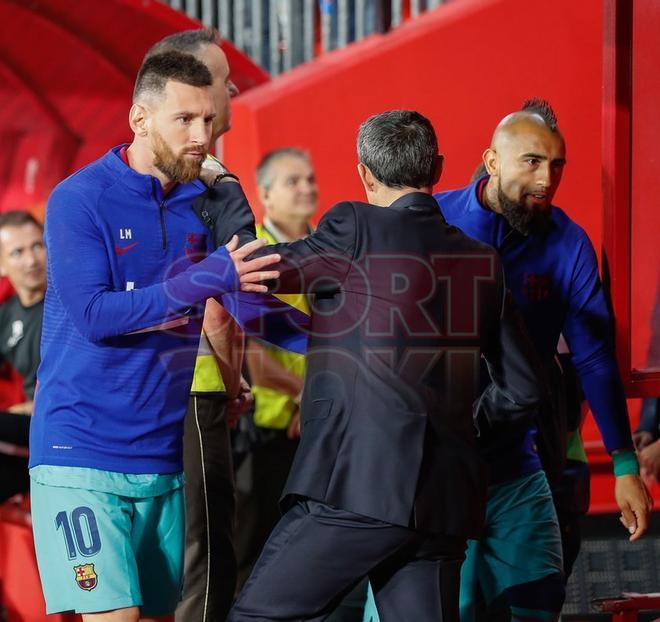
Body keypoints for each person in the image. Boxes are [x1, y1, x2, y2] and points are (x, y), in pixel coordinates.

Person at [228, 109, 546, 622]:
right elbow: (526, 388)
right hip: (444, 501)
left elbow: (256, 271)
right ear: (438, 167)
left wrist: (222, 192)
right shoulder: (483, 261)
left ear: (364, 174)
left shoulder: (353, 225)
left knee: (256, 616)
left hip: (356, 489)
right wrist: (459, 432)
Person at [28, 50, 280, 622]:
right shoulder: (78, 198)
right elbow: (95, 315)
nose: (202, 136)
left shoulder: (206, 202)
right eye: (185, 121)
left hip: (164, 452)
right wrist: (206, 277)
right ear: (140, 119)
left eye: (209, 120)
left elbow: (240, 304)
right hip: (79, 451)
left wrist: (230, 372)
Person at [432, 99, 652, 621]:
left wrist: (623, 463)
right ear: (492, 162)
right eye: (531, 161)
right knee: (446, 608)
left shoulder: (568, 242)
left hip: (525, 456)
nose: (547, 178)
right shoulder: (433, 221)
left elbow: (595, 355)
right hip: (436, 460)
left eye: (557, 164)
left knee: (535, 602)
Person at [143, 28, 253, 622]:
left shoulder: (188, 175)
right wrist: (231, 375)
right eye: (218, 78)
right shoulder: (200, 180)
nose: (230, 89)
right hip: (193, 384)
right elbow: (220, 293)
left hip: (179, 384)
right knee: (206, 549)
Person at [236, 147, 318, 589]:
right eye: (293, 181)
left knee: (306, 563)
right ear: (265, 194)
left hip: (317, 431)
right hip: (264, 435)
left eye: (310, 179)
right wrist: (306, 392)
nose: (307, 188)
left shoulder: (327, 246)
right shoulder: (255, 255)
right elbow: (250, 354)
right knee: (253, 557)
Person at [0, 210, 46, 501]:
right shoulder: (7, 315)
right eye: (18, 252)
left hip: (63, 417)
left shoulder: (69, 305)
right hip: (32, 429)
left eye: (37, 246)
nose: (31, 261)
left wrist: (27, 407)